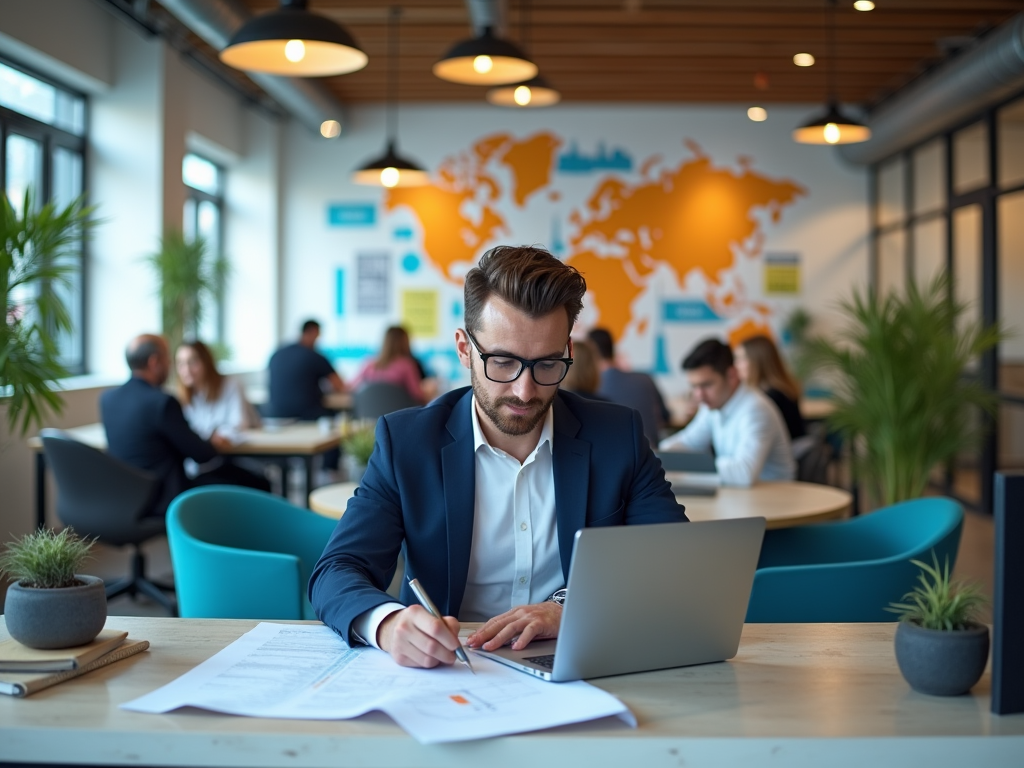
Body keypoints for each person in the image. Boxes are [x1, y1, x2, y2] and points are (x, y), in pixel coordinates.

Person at [310, 245, 688, 670]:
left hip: (581, 664)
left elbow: (672, 564)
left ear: (567, 352)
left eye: (547, 364)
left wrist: (571, 608)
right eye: (503, 361)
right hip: (451, 670)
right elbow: (338, 571)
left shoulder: (617, 436)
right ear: (464, 348)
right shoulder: (408, 442)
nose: (525, 391)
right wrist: (388, 624)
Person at [100, 334, 231, 517]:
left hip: (123, 498)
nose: (171, 367)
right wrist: (213, 442)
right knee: (249, 480)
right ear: (154, 362)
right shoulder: (162, 403)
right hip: (163, 499)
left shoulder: (108, 399)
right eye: (169, 360)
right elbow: (201, 454)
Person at [659, 338, 795, 487]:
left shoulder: (755, 409)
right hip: (741, 498)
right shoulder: (712, 405)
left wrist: (686, 464)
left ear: (731, 375)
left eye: (706, 385)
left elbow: (744, 473)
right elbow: (688, 441)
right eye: (694, 386)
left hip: (773, 503)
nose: (699, 395)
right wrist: (658, 456)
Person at [175, 339, 271, 492]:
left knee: (259, 482)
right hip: (196, 467)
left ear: (206, 361)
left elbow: (239, 424)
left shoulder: (229, 384)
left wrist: (214, 435)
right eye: (181, 363)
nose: (187, 369)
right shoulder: (180, 397)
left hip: (228, 459)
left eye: (193, 362)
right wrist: (210, 436)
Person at [588, 327, 670, 447]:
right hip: (652, 453)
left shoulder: (591, 388)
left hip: (614, 455)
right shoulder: (645, 379)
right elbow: (665, 417)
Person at [266, 319, 345, 421]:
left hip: (276, 415)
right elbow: (339, 386)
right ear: (314, 332)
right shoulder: (314, 356)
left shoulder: (277, 354)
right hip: (308, 416)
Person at [734, 335, 807, 441]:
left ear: (757, 361)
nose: (736, 365)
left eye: (741, 359)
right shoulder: (781, 389)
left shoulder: (772, 397)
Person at [351, 326, 426, 404]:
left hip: (371, 414)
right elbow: (417, 395)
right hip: (399, 413)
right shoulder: (407, 365)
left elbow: (352, 387)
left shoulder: (369, 365)